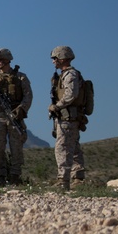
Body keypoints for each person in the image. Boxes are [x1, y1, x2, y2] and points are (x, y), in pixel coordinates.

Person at [0, 48, 33, 186]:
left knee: (16, 146)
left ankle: (15, 175)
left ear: (7, 60)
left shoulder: (20, 77)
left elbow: (28, 96)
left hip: (15, 116)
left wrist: (21, 109)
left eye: (0, 60)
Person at [49, 45, 87, 190]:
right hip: (69, 117)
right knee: (74, 147)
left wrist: (56, 106)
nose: (53, 61)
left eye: (55, 58)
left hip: (68, 117)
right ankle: (78, 179)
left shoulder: (70, 75)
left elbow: (71, 95)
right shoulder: (65, 75)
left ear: (63, 58)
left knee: (63, 147)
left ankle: (63, 181)